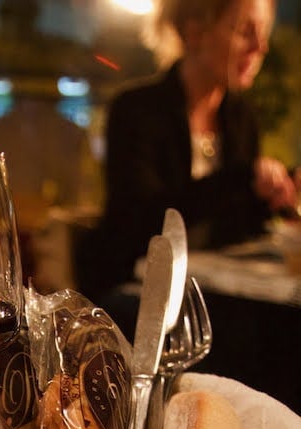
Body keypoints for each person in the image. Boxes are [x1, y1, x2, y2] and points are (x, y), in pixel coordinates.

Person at [75, 0, 298, 314]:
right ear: (195, 31)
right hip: (133, 288)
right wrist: (243, 178)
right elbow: (142, 222)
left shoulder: (241, 116)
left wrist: (277, 191)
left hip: (209, 290)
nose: (260, 47)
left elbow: (239, 227)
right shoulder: (136, 110)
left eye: (263, 33)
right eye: (244, 31)